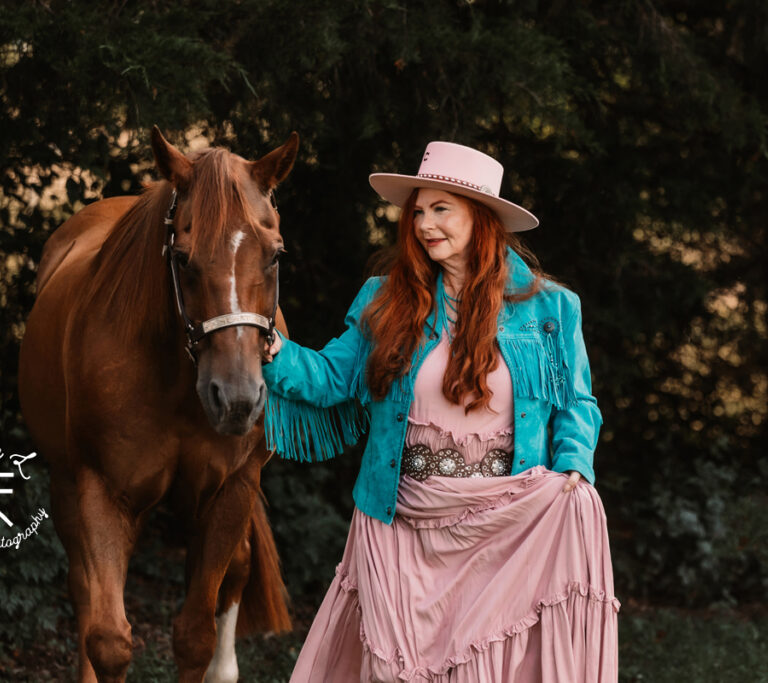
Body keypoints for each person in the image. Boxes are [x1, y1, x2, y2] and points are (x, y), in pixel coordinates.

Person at [261, 141, 619, 682]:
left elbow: (575, 401)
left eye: (441, 209)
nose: (425, 224)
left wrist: (574, 464)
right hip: (400, 516)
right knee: (394, 670)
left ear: (482, 218)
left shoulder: (550, 308)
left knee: (485, 667)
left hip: (504, 520)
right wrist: (272, 350)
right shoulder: (386, 299)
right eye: (419, 211)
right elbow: (334, 378)